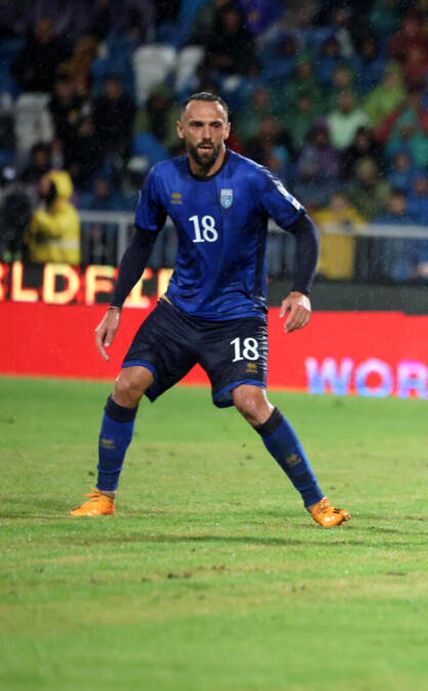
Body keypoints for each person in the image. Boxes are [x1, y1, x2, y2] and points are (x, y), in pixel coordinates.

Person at [69, 92, 349, 528]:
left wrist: (301, 291)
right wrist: (115, 306)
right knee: (127, 385)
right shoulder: (162, 179)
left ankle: (319, 504)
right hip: (179, 311)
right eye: (197, 125)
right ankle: (103, 496)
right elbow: (142, 243)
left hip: (238, 315)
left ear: (227, 130)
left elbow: (304, 228)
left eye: (215, 125)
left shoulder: (253, 178)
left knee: (252, 402)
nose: (206, 134)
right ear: (181, 130)